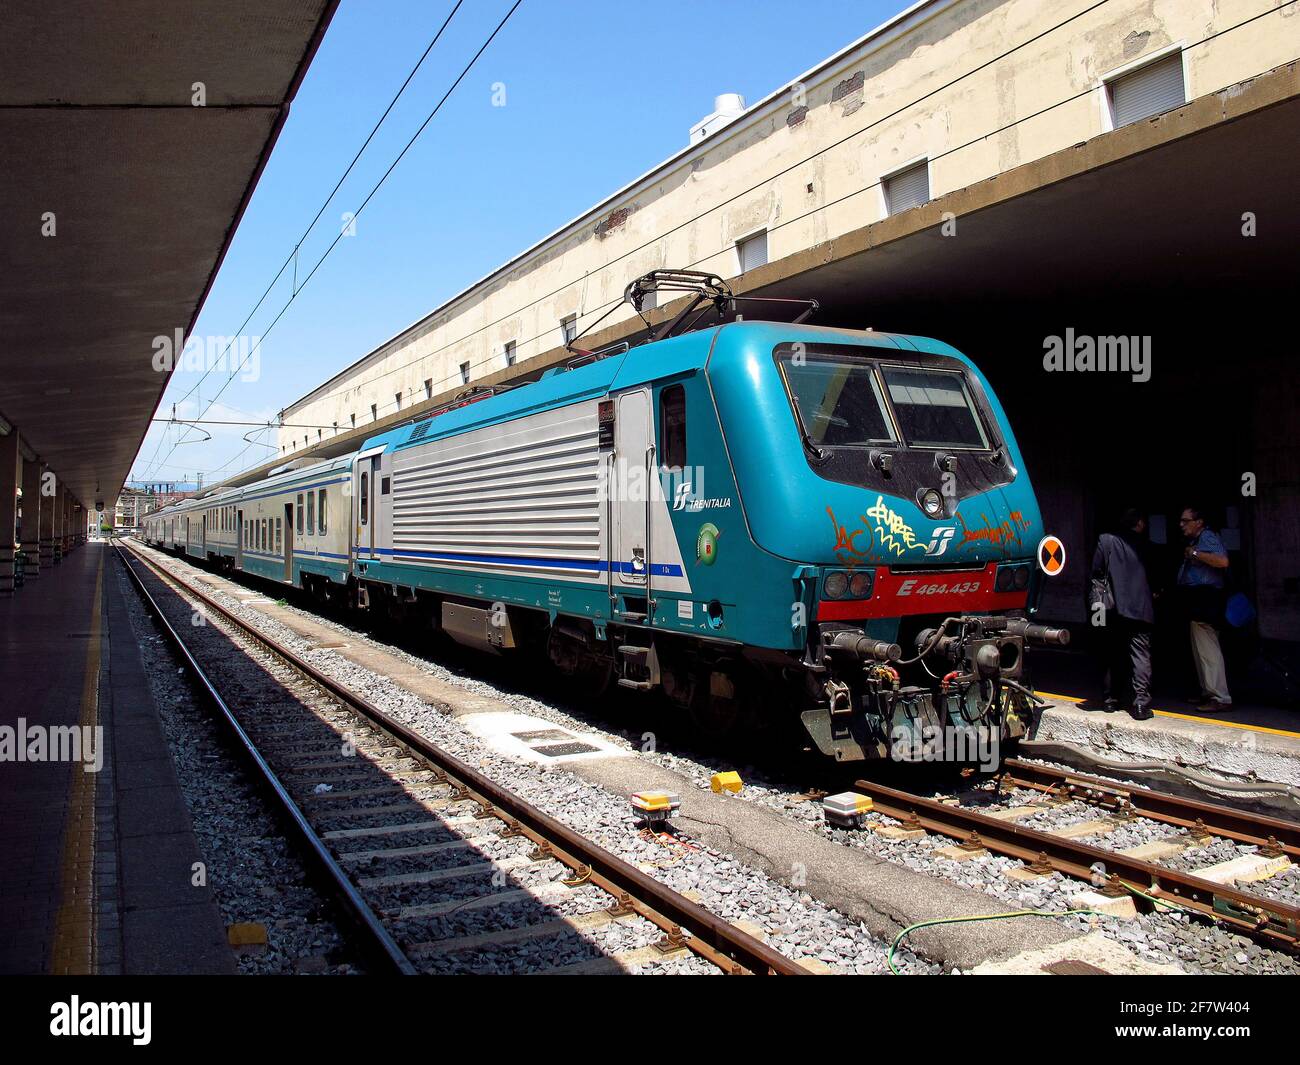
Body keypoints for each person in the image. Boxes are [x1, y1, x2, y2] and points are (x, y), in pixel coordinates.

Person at [1090, 508, 1155, 719]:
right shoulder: (1146, 545)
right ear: (1140, 524)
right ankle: (1140, 704)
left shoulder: (1106, 541)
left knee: (1111, 653)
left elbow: (1097, 572)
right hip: (1140, 607)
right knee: (1140, 655)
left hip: (1111, 607)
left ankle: (1110, 700)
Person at [1176, 506, 1232, 711]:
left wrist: (1196, 553)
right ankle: (1208, 693)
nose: (1181, 524)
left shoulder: (1206, 537)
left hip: (1206, 598)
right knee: (1201, 647)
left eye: (1186, 520)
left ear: (1198, 522)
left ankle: (1219, 697)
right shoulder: (1197, 539)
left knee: (1208, 648)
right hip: (1198, 598)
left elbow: (1223, 561)